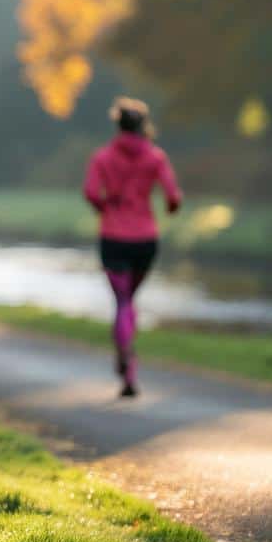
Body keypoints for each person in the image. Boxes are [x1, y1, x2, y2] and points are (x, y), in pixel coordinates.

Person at [83, 97, 182, 398]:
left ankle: (127, 362)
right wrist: (165, 208)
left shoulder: (102, 157)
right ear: (143, 125)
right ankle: (127, 358)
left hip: (113, 238)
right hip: (145, 240)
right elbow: (173, 200)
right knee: (129, 301)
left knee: (123, 302)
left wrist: (105, 208)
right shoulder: (156, 157)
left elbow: (90, 192)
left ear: (118, 124)